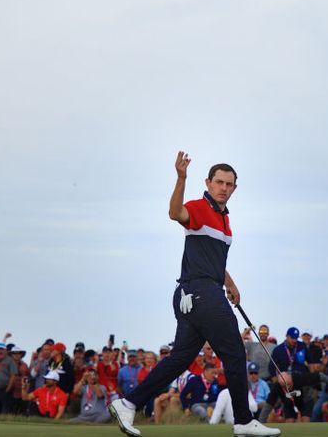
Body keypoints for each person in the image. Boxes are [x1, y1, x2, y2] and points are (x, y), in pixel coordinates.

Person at [109, 154, 280, 437]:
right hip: (199, 291)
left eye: (229, 184)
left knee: (180, 359)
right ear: (208, 183)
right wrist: (181, 178)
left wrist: (230, 283)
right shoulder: (199, 208)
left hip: (195, 294)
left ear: (234, 188)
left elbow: (215, 262)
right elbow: (175, 213)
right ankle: (243, 421)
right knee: (235, 351)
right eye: (219, 182)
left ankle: (129, 403)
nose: (223, 187)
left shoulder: (225, 221)